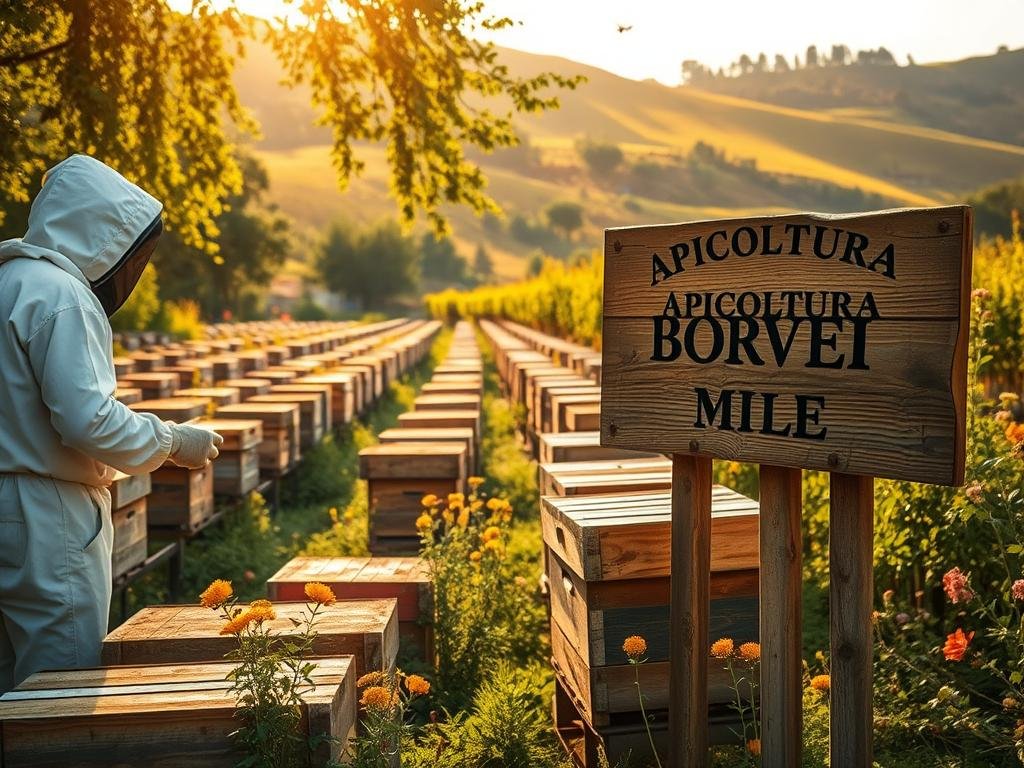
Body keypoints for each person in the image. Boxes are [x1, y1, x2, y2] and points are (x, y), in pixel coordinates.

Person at [0, 154, 223, 693]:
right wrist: (172, 440)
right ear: (104, 233)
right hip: (45, 515)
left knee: (7, 687)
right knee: (59, 690)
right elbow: (89, 421)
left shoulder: (8, 279)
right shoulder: (62, 295)